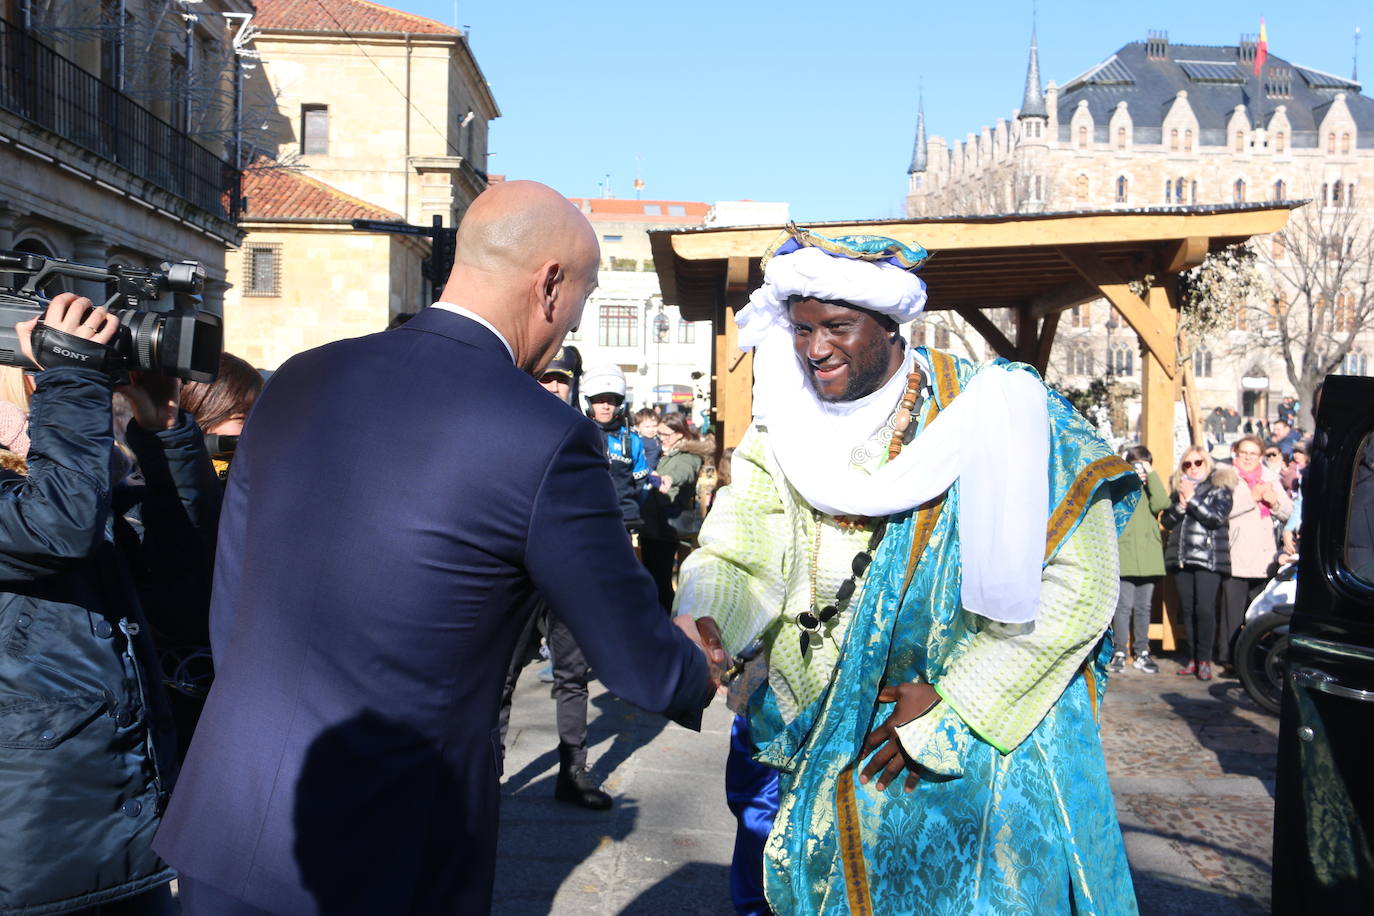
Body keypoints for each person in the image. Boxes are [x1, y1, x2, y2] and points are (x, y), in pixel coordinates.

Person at [152, 181, 713, 915]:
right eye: (585, 291)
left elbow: (233, 603)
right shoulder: (545, 436)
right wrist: (696, 665)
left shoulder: (299, 377)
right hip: (388, 849)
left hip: (227, 814)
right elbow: (638, 663)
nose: (574, 318)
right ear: (549, 283)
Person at [679, 227, 1140, 914]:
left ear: (892, 327)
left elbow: (1081, 581)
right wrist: (709, 619)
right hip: (800, 736)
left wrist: (956, 707)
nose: (815, 349)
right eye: (802, 329)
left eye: (836, 327)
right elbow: (742, 549)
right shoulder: (784, 425)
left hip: (951, 754)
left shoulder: (998, 412)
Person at [2, 294, 219, 915]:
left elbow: (182, 566)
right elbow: (57, 529)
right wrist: (69, 374)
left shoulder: (72, 474)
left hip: (117, 826)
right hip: (30, 850)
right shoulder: (56, 488)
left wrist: (163, 431)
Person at [496, 343, 617, 811]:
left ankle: (573, 771)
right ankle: (491, 773)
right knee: (502, 678)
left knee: (572, 677)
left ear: (573, 386)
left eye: (560, 380)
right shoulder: (509, 424)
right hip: (517, 573)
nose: (553, 386)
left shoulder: (588, 433)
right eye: (545, 378)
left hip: (568, 572)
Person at [1162, 446, 1235, 681]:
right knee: (1187, 610)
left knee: (1204, 610)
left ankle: (1205, 659)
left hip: (1208, 558)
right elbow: (1169, 522)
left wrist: (1192, 500)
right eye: (1187, 464)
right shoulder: (1179, 490)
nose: (1193, 467)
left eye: (1198, 462)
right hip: (1182, 558)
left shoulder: (1220, 488)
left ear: (1208, 464)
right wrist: (1181, 505)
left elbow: (1215, 519)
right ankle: (1192, 658)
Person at [1220, 435, 1292, 672]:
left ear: (1261, 456)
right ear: (1236, 453)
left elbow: (1288, 513)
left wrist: (1275, 503)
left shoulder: (1271, 478)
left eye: (1254, 453)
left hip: (1264, 557)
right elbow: (1221, 511)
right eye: (1244, 453)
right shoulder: (1226, 477)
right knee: (1233, 614)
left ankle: (1257, 658)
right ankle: (1230, 658)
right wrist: (1252, 499)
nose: (1249, 457)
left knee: (1260, 612)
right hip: (1236, 554)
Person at [641, 412, 710, 609]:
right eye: (659, 433)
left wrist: (669, 478)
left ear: (679, 434)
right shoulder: (665, 451)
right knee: (654, 579)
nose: (660, 437)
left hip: (666, 526)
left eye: (665, 434)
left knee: (660, 582)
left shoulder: (689, 456)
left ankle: (669, 625)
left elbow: (685, 473)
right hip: (653, 524)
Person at [1111, 445, 1170, 674]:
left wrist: (1151, 475)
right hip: (1125, 555)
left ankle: (1142, 651)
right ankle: (1119, 651)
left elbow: (1162, 504)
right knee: (1123, 607)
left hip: (1148, 557)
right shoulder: (1123, 487)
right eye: (1135, 463)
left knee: (1144, 607)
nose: (1139, 468)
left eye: (1143, 464)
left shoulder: (1151, 488)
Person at [582, 364, 651, 532]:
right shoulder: (578, 436)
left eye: (611, 401)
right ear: (589, 402)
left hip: (625, 519)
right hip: (587, 518)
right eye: (599, 400)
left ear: (619, 404)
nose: (606, 407)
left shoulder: (632, 439)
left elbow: (641, 484)